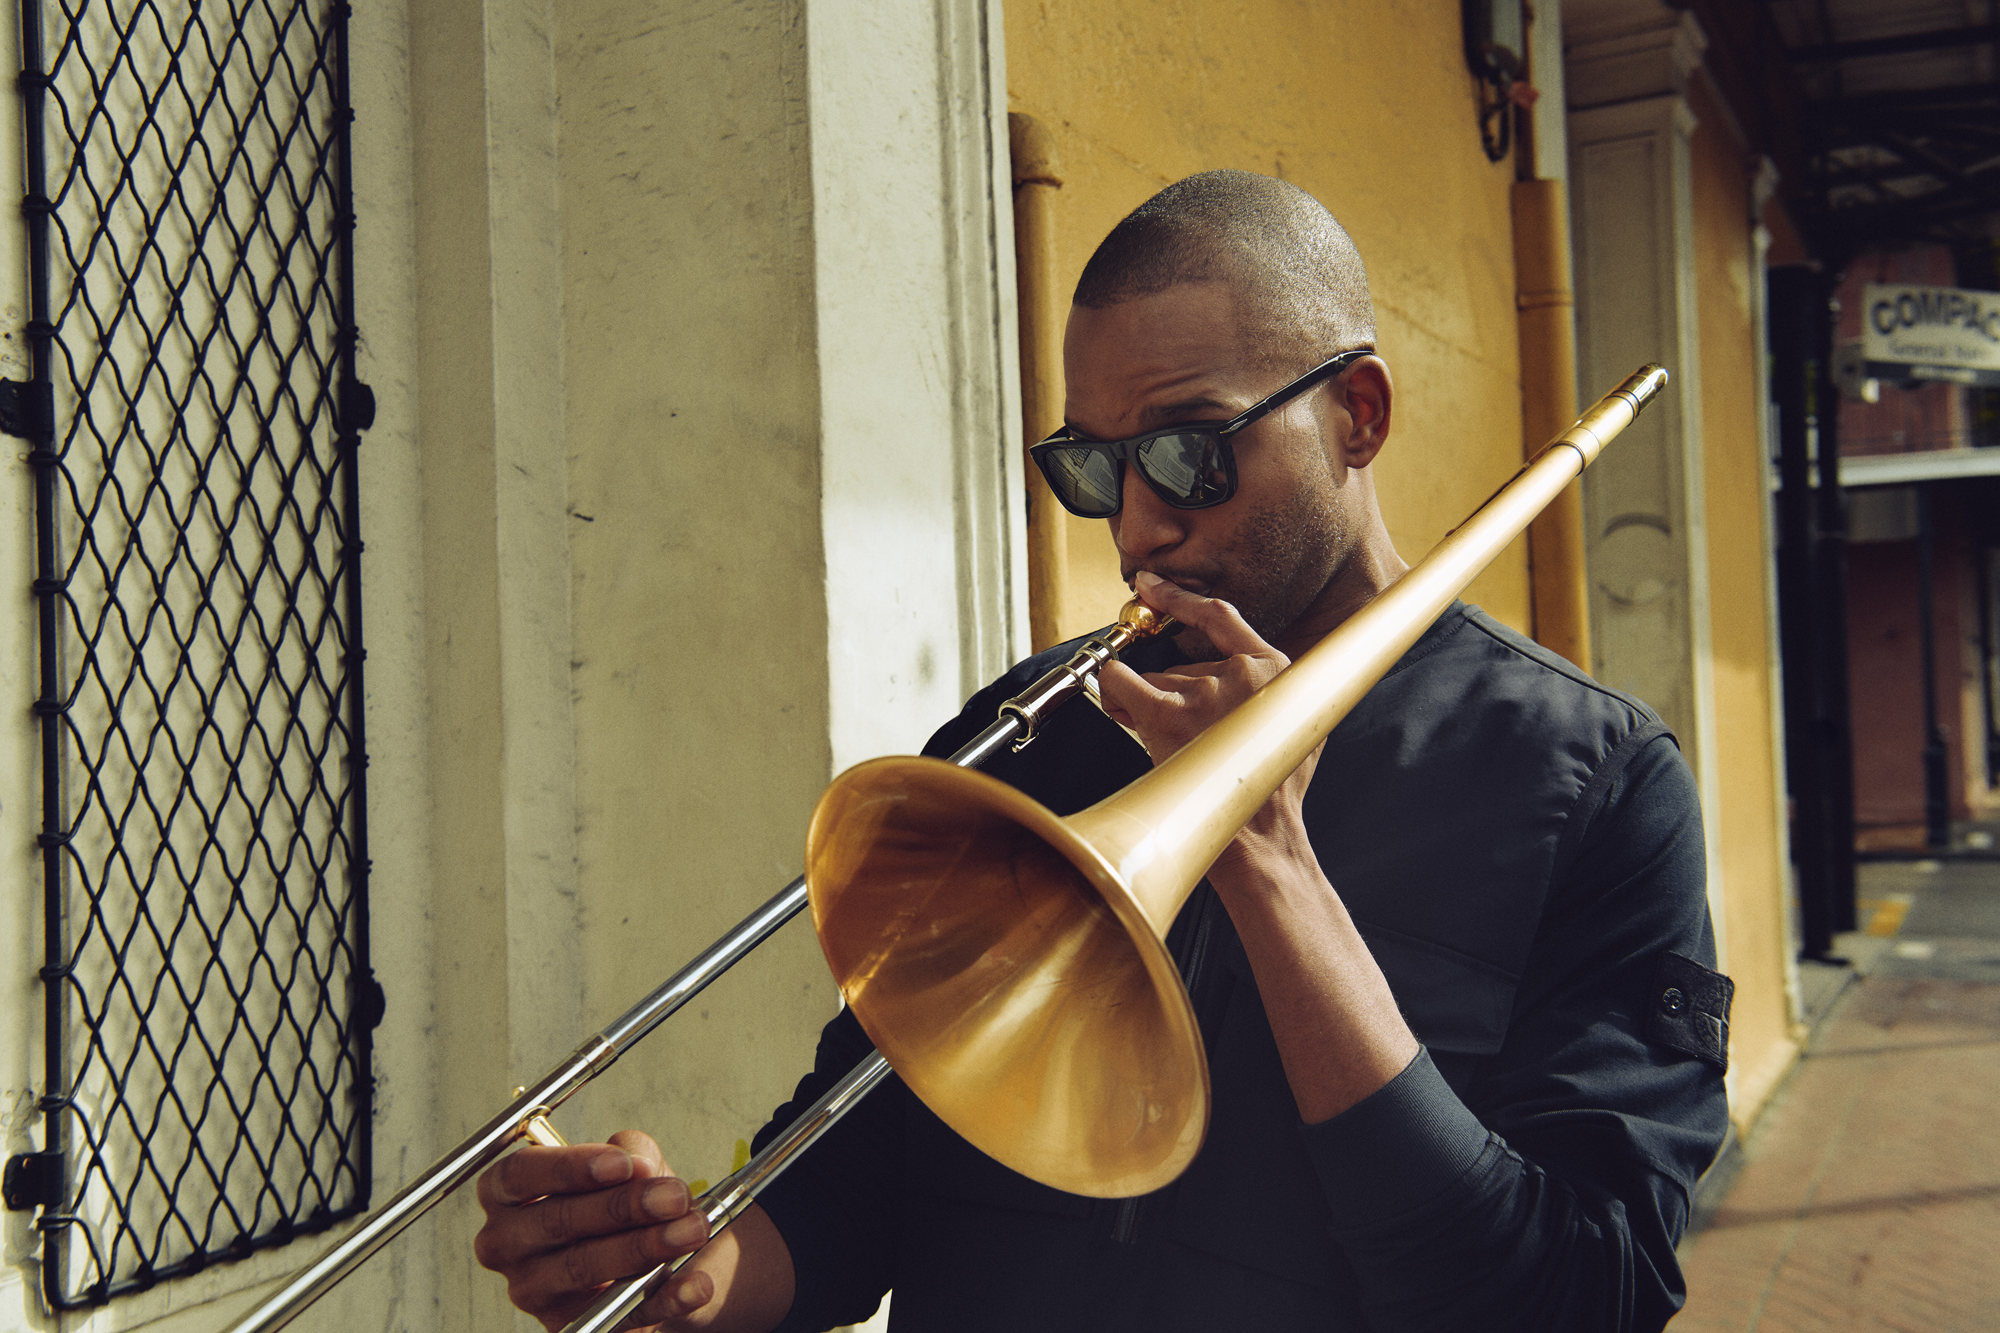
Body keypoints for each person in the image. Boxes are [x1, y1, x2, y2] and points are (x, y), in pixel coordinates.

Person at [473, 170, 1731, 1333]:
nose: (1137, 525)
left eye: (1191, 449)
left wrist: (1275, 874)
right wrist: (684, 1278)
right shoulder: (1028, 734)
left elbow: (1583, 1291)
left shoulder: (1600, 787)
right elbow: (867, 1173)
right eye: (1093, 468)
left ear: (1356, 413)